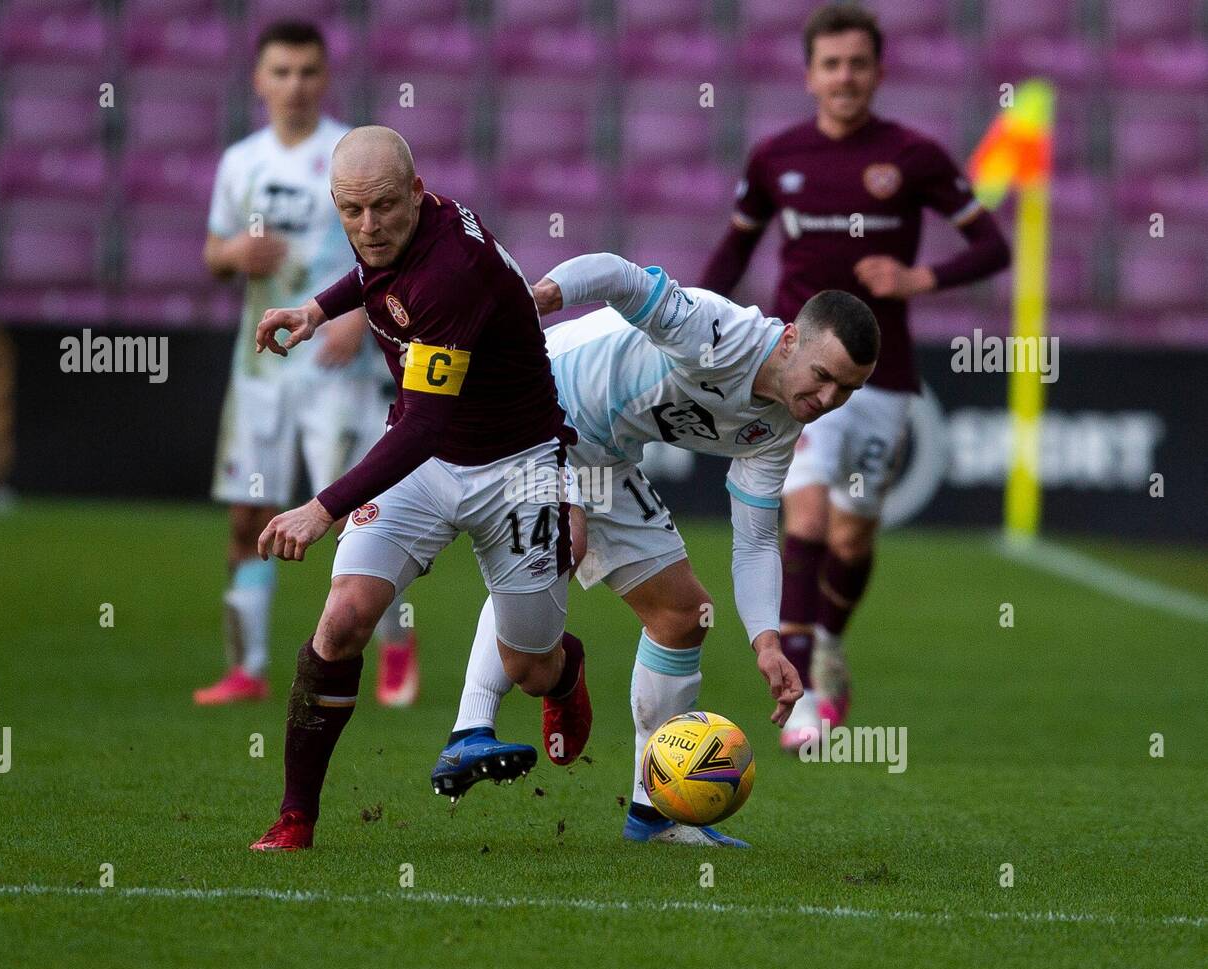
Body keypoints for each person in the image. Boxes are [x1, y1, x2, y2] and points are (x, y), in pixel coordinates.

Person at [437, 252, 878, 846]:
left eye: (846, 389)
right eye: (822, 375)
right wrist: (542, 296)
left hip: (605, 457)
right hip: (538, 403)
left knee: (683, 614)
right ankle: (470, 729)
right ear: (792, 339)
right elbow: (619, 276)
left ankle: (654, 812)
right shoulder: (717, 330)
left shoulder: (780, 427)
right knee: (557, 547)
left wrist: (766, 641)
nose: (828, 398)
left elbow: (752, 539)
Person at [246, 126, 593, 852]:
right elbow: (374, 275)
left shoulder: (452, 271)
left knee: (529, 664)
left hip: (518, 466)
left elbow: (427, 424)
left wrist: (321, 506)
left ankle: (563, 676)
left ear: (416, 191)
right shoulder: (390, 225)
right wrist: (317, 310)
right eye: (349, 210)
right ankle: (295, 816)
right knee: (341, 619)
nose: (366, 227)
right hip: (429, 464)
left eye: (380, 208)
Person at [700, 3, 1009, 747]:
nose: (844, 77)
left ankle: (830, 645)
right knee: (802, 521)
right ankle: (802, 691)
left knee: (852, 537)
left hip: (883, 379)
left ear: (878, 70)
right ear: (809, 74)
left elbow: (991, 246)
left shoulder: (914, 155)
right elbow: (733, 255)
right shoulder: (776, 157)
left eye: (857, 63)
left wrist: (918, 276)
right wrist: (694, 326)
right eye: (831, 64)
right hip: (793, 374)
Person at [195, 22, 419, 710]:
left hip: (337, 367)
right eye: (281, 72)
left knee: (361, 519)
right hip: (260, 370)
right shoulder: (242, 162)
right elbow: (211, 255)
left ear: (325, 79)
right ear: (260, 81)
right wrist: (235, 254)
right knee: (247, 515)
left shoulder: (347, 155)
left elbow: (395, 247)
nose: (294, 84)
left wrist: (357, 312)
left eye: (307, 72)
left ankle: (397, 646)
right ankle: (247, 664)